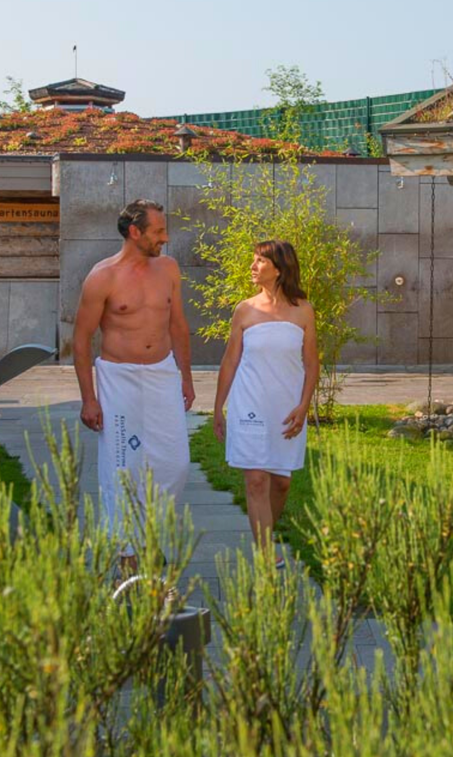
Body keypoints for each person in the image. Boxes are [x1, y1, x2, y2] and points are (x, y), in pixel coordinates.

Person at [74, 199, 195, 564]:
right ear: (135, 232)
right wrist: (88, 398)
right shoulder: (102, 276)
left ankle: (151, 531)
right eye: (158, 231)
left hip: (162, 374)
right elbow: (81, 339)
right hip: (119, 379)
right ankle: (127, 554)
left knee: (175, 464)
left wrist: (185, 378)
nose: (165, 237)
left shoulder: (169, 269)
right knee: (123, 465)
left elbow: (177, 326)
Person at [212, 240, 319, 564]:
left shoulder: (303, 310)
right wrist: (218, 407)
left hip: (286, 407)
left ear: (279, 267)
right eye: (254, 260)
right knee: (256, 479)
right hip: (249, 404)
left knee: (282, 483)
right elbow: (230, 361)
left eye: (259, 261)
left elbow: (312, 362)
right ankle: (265, 553)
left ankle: (265, 534)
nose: (252, 267)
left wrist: (304, 406)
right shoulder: (245, 309)